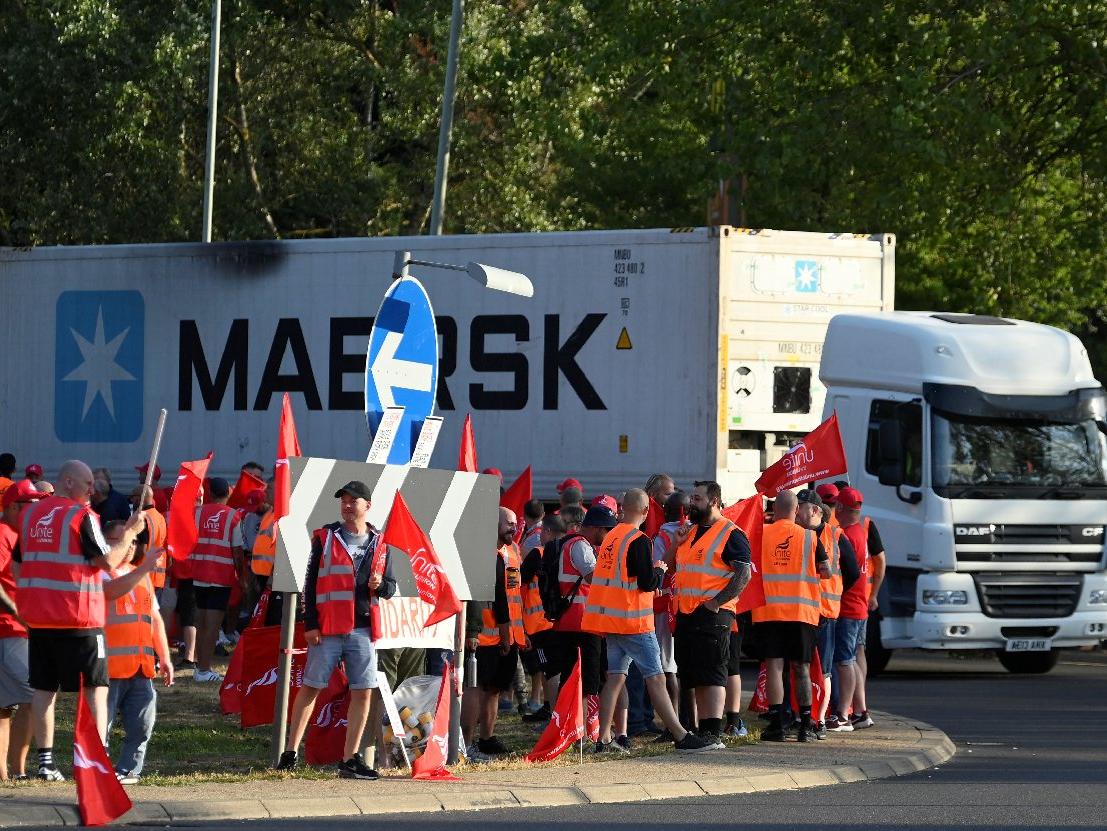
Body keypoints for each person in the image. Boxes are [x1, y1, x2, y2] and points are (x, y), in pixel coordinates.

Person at [18, 461, 147, 780]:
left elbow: (18, 564)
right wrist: (130, 533)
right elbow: (108, 561)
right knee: (95, 689)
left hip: (40, 618)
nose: (93, 489)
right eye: (87, 483)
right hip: (79, 618)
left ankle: (46, 763)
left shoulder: (30, 515)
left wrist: (33, 596)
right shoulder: (81, 516)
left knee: (44, 690)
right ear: (67, 482)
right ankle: (95, 760)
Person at [582, 489, 719, 754]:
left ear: (622, 509)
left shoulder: (611, 538)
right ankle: (680, 735)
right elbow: (648, 582)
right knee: (655, 679)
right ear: (645, 511)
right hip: (634, 623)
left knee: (614, 679)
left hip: (611, 622)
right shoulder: (639, 540)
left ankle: (603, 739)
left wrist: (667, 555)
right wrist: (658, 570)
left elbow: (625, 578)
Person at [278, 480, 395, 779]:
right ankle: (290, 753)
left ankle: (350, 759)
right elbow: (309, 584)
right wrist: (310, 624)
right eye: (343, 500)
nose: (347, 505)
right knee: (311, 687)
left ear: (367, 505)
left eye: (353, 500)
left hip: (363, 629)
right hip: (328, 629)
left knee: (363, 692)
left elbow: (391, 587)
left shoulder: (381, 542)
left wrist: (381, 584)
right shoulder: (325, 536)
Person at [665, 481, 752, 744]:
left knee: (713, 675)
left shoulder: (731, 533)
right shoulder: (689, 532)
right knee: (696, 676)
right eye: (692, 498)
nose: (691, 503)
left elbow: (743, 574)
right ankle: (704, 732)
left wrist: (716, 602)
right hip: (687, 613)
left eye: (698, 499)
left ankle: (713, 733)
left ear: (714, 501)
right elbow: (670, 568)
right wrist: (676, 543)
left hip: (713, 614)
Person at [752, 490, 830, 742]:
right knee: (801, 668)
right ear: (796, 510)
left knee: (774, 666)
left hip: (768, 612)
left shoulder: (761, 535)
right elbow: (826, 571)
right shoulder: (809, 537)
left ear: (774, 510)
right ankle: (805, 725)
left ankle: (776, 724)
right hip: (801, 612)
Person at [102, 520, 174, 784]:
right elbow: (110, 592)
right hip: (109, 668)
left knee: (142, 724)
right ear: (105, 544)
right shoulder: (100, 573)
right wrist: (144, 568)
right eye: (123, 540)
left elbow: (155, 619)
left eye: (134, 541)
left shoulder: (140, 575)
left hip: (141, 667)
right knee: (101, 726)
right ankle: (97, 770)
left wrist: (164, 657)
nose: (130, 546)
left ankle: (129, 769)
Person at [461, 507, 527, 757]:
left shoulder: (512, 551)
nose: (513, 527)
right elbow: (486, 597)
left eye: (515, 523)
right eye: (508, 523)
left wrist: (517, 632)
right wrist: (475, 631)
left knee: (496, 689)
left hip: (507, 635)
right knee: (475, 688)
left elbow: (513, 596)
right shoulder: (482, 553)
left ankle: (487, 738)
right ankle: (466, 744)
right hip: (483, 636)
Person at [797, 491, 859, 738]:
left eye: (800, 506)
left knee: (824, 669)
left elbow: (853, 572)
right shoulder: (798, 533)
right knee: (802, 666)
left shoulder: (836, 535)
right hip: (802, 611)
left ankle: (820, 719)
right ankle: (804, 715)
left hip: (824, 612)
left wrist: (836, 591)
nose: (796, 511)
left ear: (814, 510)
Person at [0, 481, 44, 780]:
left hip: (17, 629)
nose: (36, 510)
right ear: (14, 506)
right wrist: (20, 613)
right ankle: (17, 771)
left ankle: (9, 774)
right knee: (35, 694)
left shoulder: (21, 534)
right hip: (10, 629)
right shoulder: (4, 533)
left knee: (4, 706)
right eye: (31, 505)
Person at [832, 486, 884, 730]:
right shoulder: (860, 532)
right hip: (860, 604)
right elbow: (878, 561)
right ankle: (860, 711)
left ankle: (844, 714)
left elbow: (848, 573)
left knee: (845, 661)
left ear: (840, 507)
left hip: (849, 606)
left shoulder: (847, 535)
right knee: (852, 658)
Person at [547, 503, 604, 722]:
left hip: (572, 620)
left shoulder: (573, 544)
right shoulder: (580, 546)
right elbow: (594, 578)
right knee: (586, 681)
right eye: (606, 529)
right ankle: (581, 729)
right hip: (581, 622)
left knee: (572, 678)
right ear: (595, 527)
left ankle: (567, 726)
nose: (607, 534)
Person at [190, 477, 246, 682]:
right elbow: (237, 551)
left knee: (201, 623)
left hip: (199, 573)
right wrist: (242, 578)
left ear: (210, 493)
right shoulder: (233, 516)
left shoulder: (197, 512)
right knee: (212, 627)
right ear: (228, 493)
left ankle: (199, 667)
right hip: (221, 576)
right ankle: (204, 670)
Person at [651, 491, 687, 733]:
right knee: (683, 664)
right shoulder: (697, 532)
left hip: (666, 605)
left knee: (668, 664)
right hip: (691, 603)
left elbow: (658, 569)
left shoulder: (663, 536)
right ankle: (689, 720)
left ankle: (672, 726)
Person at [518, 498, 548, 717]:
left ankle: (542, 701)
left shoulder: (534, 544)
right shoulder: (534, 538)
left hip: (536, 617)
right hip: (540, 615)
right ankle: (541, 701)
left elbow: (523, 578)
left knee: (541, 665)